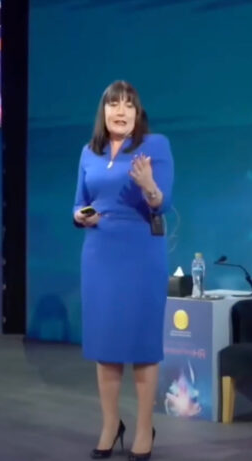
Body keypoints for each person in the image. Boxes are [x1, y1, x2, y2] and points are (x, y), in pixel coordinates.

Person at [73, 80, 174, 461]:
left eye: (128, 105)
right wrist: (84, 217)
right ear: (103, 112)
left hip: (141, 253)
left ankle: (144, 427)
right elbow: (78, 204)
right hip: (99, 252)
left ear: (137, 112)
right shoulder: (89, 152)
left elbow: (161, 204)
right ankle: (110, 424)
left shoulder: (155, 146)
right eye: (113, 105)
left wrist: (149, 186)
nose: (120, 111)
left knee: (143, 346)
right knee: (106, 346)